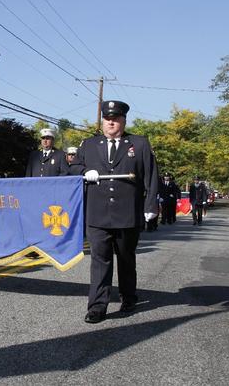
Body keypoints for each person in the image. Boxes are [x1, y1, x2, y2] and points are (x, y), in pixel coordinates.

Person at [70, 100, 159, 323]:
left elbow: (151, 176)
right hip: (97, 214)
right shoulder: (89, 144)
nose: (111, 122)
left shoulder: (138, 144)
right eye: (107, 119)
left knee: (126, 259)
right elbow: (72, 167)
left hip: (127, 214)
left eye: (116, 119)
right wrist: (85, 170)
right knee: (100, 261)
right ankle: (97, 306)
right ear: (102, 121)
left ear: (123, 120)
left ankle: (128, 296)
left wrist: (150, 206)